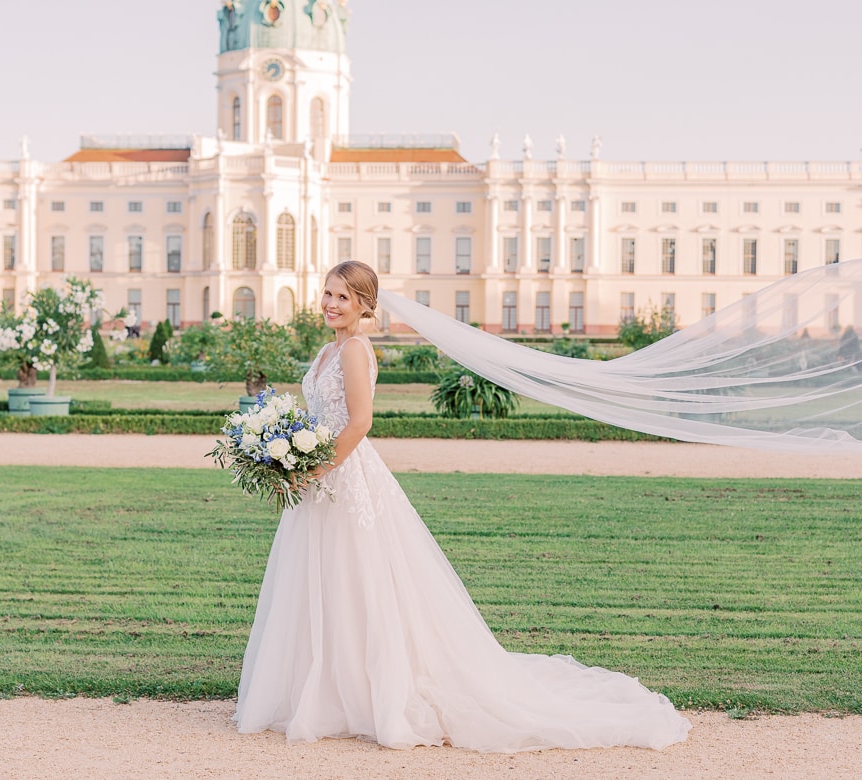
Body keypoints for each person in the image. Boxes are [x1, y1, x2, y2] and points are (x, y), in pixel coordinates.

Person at [234, 260, 691, 752]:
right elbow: (322, 416)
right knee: (323, 580)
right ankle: (325, 687)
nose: (330, 303)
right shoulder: (328, 350)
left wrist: (313, 468)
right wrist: (286, 446)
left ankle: (362, 693)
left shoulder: (355, 350)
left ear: (366, 305)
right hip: (322, 481)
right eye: (327, 293)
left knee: (356, 579)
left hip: (346, 480)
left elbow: (360, 423)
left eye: (343, 296)